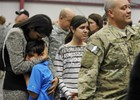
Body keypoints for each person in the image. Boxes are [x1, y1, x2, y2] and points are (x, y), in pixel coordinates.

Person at [78, 0, 140, 99]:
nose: (129, 11)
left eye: (129, 7)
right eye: (123, 8)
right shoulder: (99, 39)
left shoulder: (135, 34)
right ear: (111, 13)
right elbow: (87, 75)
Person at [3, 14, 58, 100]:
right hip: (15, 88)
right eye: (38, 36)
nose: (39, 39)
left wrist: (55, 77)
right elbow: (18, 68)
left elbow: (47, 57)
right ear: (32, 28)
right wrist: (41, 59)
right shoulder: (16, 34)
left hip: (34, 86)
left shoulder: (36, 37)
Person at [54, 15, 89, 100]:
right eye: (82, 28)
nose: (85, 31)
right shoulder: (63, 50)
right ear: (72, 29)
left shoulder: (90, 49)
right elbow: (58, 76)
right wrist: (70, 96)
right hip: (66, 96)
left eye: (87, 28)